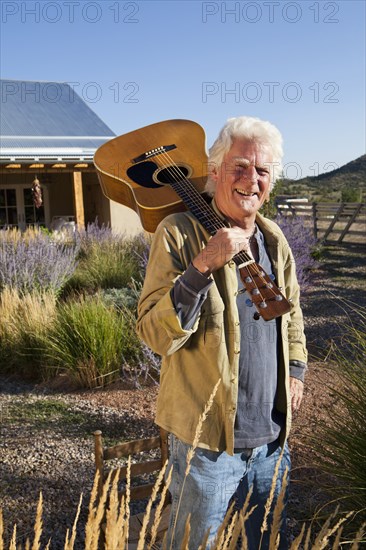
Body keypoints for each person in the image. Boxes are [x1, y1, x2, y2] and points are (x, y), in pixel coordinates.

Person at [136, 116, 307, 549]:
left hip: (272, 440)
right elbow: (154, 335)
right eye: (240, 167)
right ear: (214, 172)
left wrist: (298, 369)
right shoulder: (177, 233)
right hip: (206, 445)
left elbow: (294, 315)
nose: (252, 179)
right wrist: (201, 266)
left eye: (262, 170)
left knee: (267, 541)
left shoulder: (274, 241)